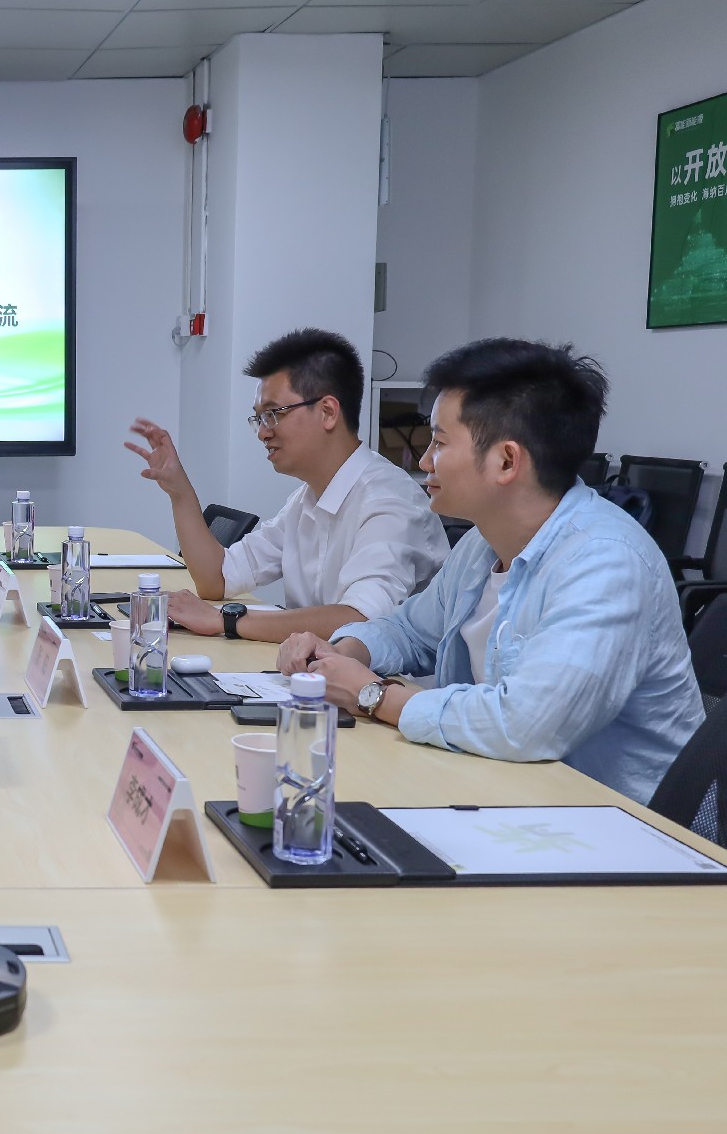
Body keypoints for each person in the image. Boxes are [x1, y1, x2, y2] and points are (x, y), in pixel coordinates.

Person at [279, 338, 703, 805]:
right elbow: (410, 630)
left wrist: (374, 696)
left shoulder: (606, 563)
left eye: (440, 443)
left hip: (616, 824)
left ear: (506, 461)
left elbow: (527, 723)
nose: (424, 461)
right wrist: (343, 653)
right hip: (505, 790)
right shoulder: (483, 544)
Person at [125, 328, 448, 644]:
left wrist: (228, 621)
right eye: (259, 418)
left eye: (273, 414)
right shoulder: (305, 500)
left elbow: (360, 620)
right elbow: (217, 579)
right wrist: (179, 490)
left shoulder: (388, 501)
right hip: (311, 669)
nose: (262, 432)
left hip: (380, 677)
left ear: (327, 412)